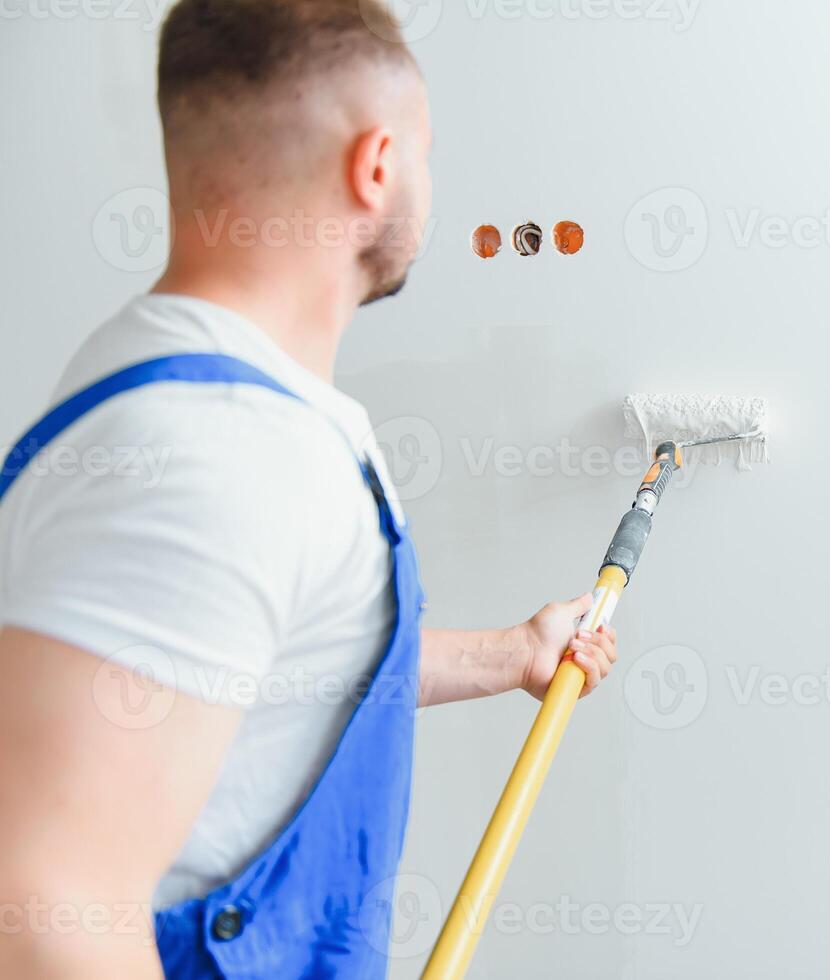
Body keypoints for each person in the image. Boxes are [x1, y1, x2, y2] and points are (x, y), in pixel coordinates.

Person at [0, 1, 618, 975]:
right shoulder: (215, 452)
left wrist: (513, 653)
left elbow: (261, 668)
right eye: (427, 150)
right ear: (377, 165)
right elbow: (43, 909)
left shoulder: (240, 408)